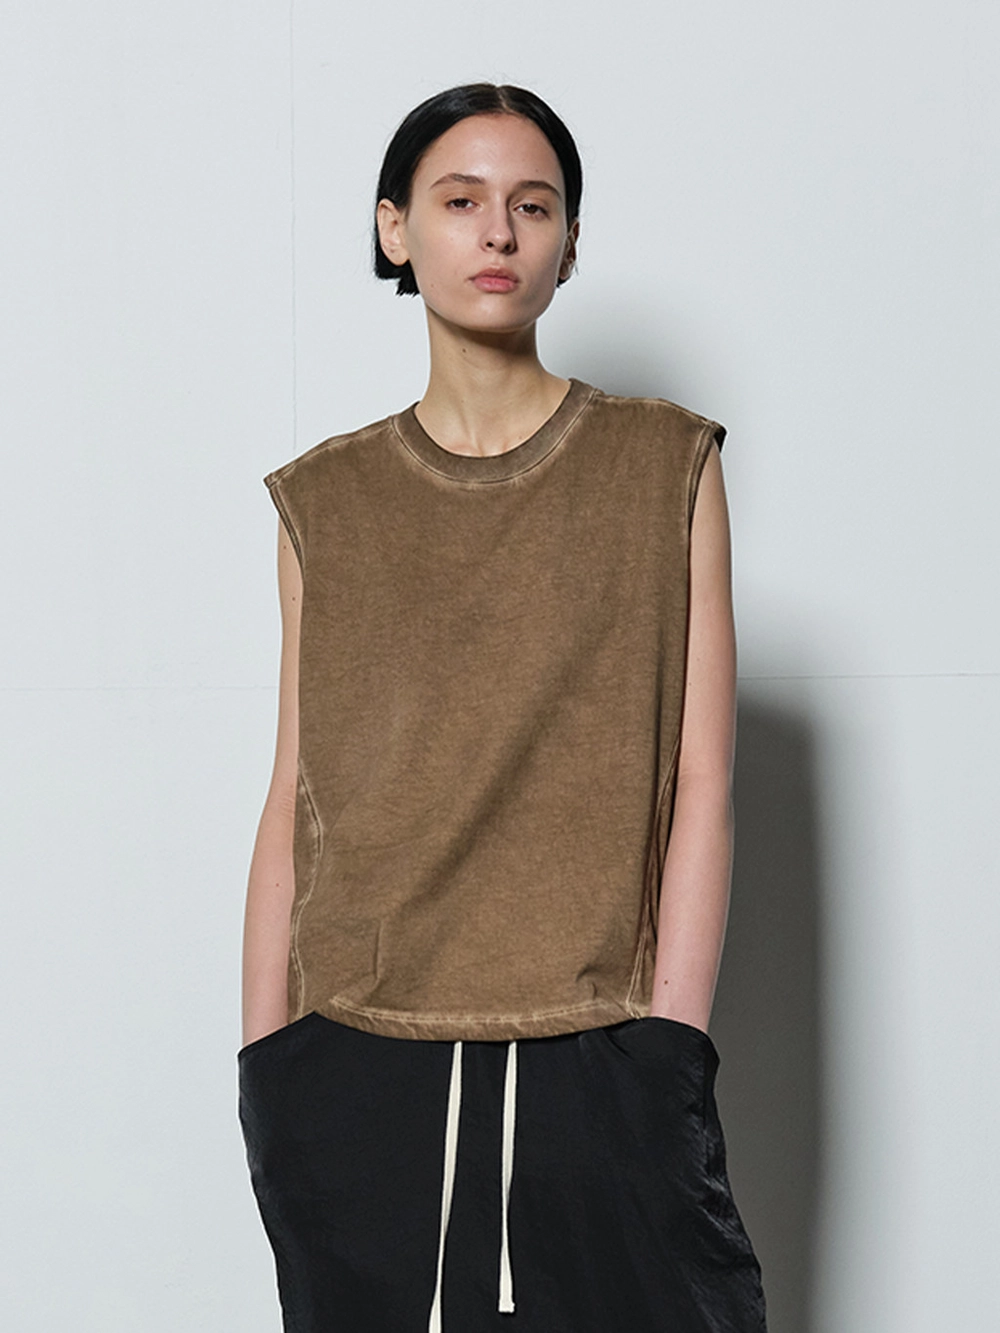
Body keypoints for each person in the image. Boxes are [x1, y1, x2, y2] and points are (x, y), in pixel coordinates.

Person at [238, 82, 768, 1333]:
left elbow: (701, 779)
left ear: (568, 242)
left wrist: (669, 1048)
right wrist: (266, 1063)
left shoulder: (664, 464)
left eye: (532, 206)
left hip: (602, 1047)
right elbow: (297, 788)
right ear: (394, 228)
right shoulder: (325, 499)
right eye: (459, 200)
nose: (497, 232)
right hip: (352, 1051)